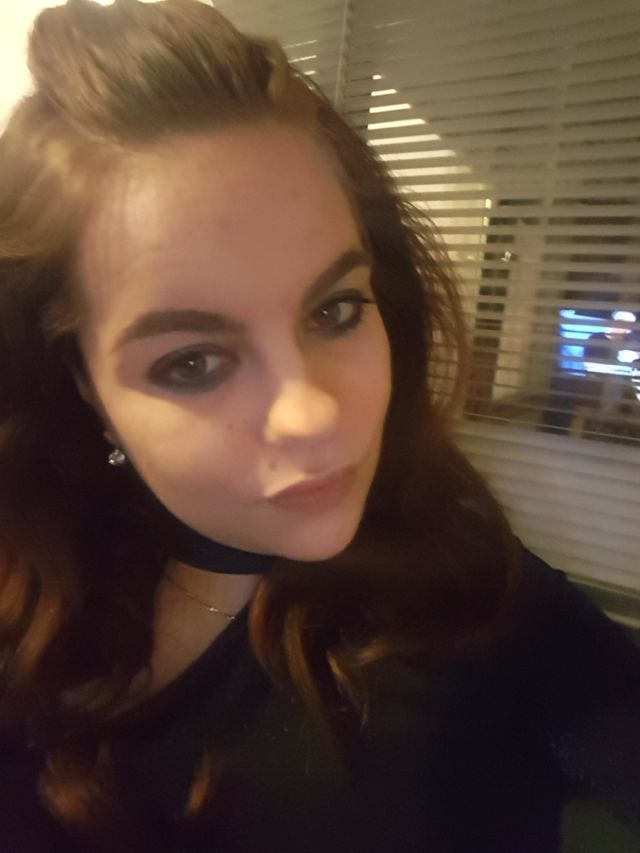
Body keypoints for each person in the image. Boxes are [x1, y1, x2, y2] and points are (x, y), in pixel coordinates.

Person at [0, 2, 639, 851]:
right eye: (192, 362)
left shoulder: (477, 604)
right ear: (82, 381)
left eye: (336, 310)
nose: (312, 413)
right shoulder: (28, 589)